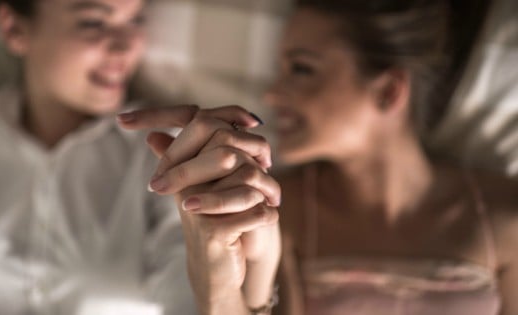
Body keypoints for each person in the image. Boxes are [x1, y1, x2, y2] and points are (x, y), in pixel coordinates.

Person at [122, 0, 518, 314]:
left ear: (388, 91)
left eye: (302, 68)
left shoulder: (505, 217)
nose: (274, 95)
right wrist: (214, 276)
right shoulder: (279, 213)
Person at [0, 0, 199, 314]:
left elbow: (191, 296)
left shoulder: (164, 152)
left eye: (135, 21)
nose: (126, 47)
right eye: (93, 22)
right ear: (14, 29)